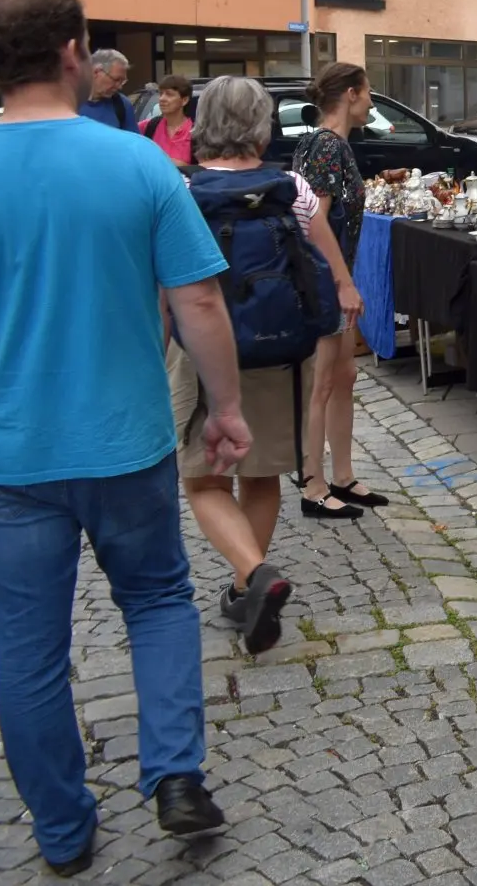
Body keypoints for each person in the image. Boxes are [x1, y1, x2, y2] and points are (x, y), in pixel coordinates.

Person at [0, 0, 245, 874]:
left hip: (15, 453)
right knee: (156, 599)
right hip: (126, 442)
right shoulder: (138, 163)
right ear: (74, 52)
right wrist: (225, 409)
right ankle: (176, 774)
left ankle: (63, 827)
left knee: (28, 643)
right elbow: (199, 301)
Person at [168, 77, 362, 655]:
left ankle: (253, 576)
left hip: (200, 354)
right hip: (277, 348)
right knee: (260, 475)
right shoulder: (290, 188)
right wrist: (345, 292)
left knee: (203, 479)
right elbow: (325, 254)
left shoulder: (181, 191)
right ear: (262, 126)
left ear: (204, 123)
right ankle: (245, 586)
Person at [292, 63, 388, 519]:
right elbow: (315, 224)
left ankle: (343, 475)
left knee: (344, 375)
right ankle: (312, 484)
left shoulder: (326, 144)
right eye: (368, 92)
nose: (371, 101)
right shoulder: (327, 146)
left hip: (332, 276)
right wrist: (341, 283)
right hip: (326, 280)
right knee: (322, 382)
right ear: (351, 94)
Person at [141, 73, 195, 168]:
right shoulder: (150, 126)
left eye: (169, 94)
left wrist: (183, 166)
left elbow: (204, 168)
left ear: (184, 100)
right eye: (161, 94)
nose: (162, 99)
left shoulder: (196, 132)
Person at [77, 48, 136, 130]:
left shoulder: (122, 105)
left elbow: (132, 137)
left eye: (122, 81)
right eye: (116, 80)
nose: (120, 87)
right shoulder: (67, 103)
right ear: (96, 72)